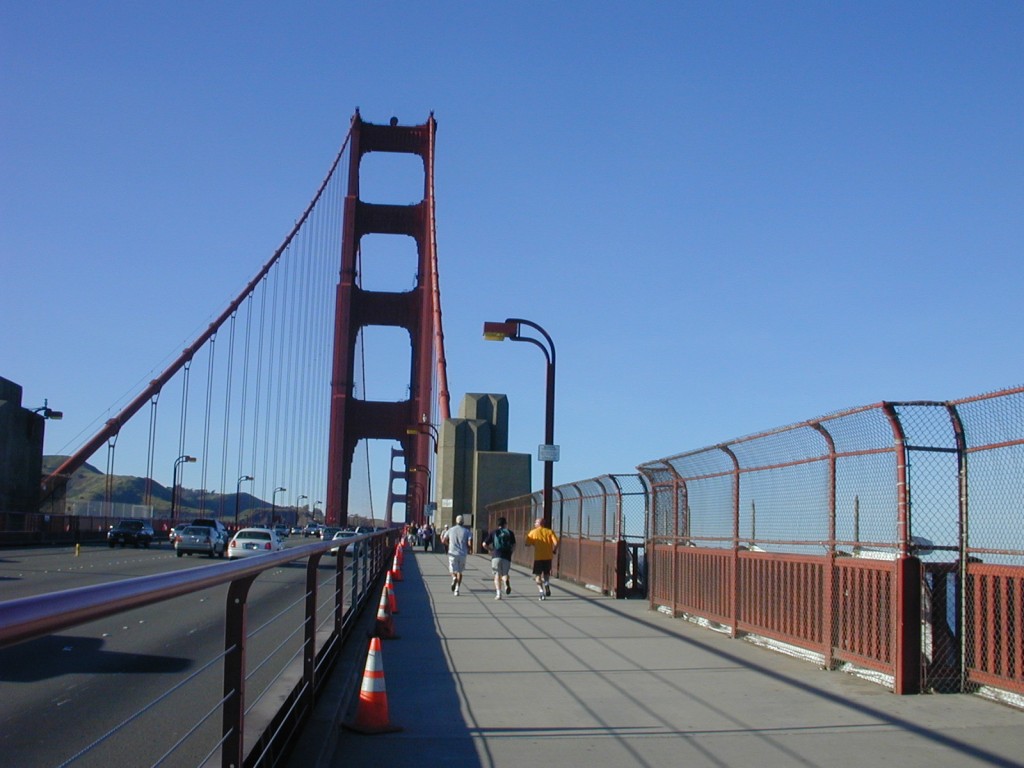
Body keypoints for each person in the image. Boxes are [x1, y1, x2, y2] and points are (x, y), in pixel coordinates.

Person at [524, 517, 558, 600]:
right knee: (546, 573)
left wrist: (535, 544)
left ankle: (541, 592)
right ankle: (546, 584)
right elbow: (556, 542)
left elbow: (527, 543)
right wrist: (554, 550)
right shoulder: (550, 532)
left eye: (535, 522)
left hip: (538, 557)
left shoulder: (533, 532)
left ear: (539, 523)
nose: (534, 524)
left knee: (538, 576)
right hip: (548, 556)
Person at [482, 517, 516, 600]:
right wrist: (510, 552)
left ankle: (498, 594)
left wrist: (491, 550)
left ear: (498, 524)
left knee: (497, 575)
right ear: (505, 524)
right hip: (506, 556)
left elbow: (484, 544)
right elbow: (514, 545)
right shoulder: (510, 533)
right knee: (505, 574)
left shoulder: (494, 532)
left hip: (496, 555)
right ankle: (505, 581)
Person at [440, 515, 473, 596]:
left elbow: (443, 540)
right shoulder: (467, 531)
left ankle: (454, 578)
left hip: (452, 553)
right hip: (462, 553)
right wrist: (470, 549)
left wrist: (449, 544)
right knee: (460, 572)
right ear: (463, 522)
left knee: (452, 570)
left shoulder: (451, 530)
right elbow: (469, 543)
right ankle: (457, 590)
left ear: (456, 521)